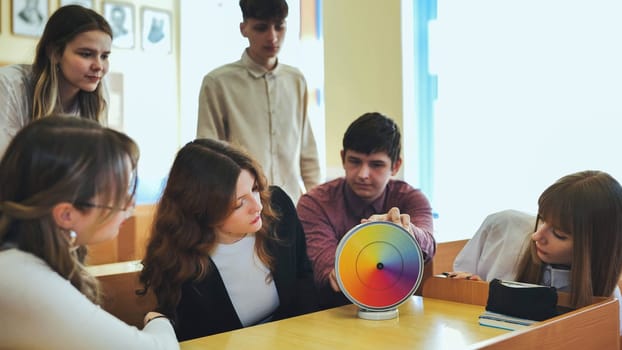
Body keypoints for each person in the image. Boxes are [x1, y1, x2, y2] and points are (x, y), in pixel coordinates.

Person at [0, 116, 179, 349]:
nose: (131, 205)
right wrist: (160, 320)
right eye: (120, 195)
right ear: (66, 215)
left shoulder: (19, 261)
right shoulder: (22, 278)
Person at [139, 138, 317, 341]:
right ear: (202, 211)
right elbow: (197, 338)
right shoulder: (177, 262)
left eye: (255, 188)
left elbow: (304, 280)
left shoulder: (278, 208)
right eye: (240, 203)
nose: (257, 206)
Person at [296, 112, 436, 308]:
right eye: (355, 161)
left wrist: (405, 232)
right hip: (333, 313)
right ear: (343, 158)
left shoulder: (411, 199)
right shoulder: (314, 203)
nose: (363, 174)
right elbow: (326, 268)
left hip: (398, 312)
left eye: (376, 165)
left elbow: (429, 245)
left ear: (395, 166)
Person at [451, 171, 622, 324]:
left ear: (593, 248)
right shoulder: (503, 226)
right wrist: (474, 290)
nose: (537, 236)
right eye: (541, 219)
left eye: (559, 234)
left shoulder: (608, 306)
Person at [196, 0, 320, 203]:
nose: (272, 37)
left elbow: (308, 154)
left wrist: (317, 204)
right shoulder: (218, 83)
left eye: (279, 27)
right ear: (243, 29)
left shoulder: (296, 80)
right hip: (241, 205)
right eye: (261, 28)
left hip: (292, 204)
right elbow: (208, 158)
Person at [0, 5, 112, 156]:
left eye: (104, 56)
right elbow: (6, 165)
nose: (99, 66)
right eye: (86, 54)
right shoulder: (9, 84)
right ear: (54, 53)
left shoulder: (98, 88)